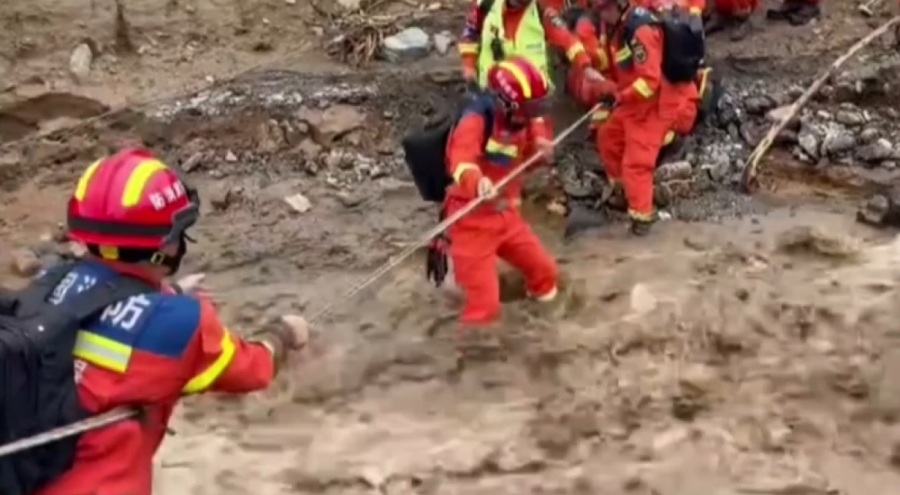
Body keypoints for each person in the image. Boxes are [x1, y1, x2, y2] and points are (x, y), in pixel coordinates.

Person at [35, 148, 310, 495]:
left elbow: (103, 310)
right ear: (162, 246)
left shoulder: (51, 283)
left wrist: (172, 294)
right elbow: (251, 368)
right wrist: (283, 333)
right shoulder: (181, 326)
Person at [442, 56, 561, 332]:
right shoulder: (475, 119)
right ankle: (472, 361)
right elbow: (460, 160)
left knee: (545, 274)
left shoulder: (524, 117)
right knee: (484, 310)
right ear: (507, 104)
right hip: (471, 221)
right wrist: (477, 182)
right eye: (530, 109)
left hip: (506, 214)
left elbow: (527, 152)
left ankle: (545, 332)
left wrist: (541, 150)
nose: (535, 114)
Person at [573, 0, 701, 235]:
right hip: (637, 101)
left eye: (604, 9)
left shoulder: (640, 30)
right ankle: (622, 192)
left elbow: (649, 82)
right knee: (608, 137)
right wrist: (610, 91)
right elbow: (623, 73)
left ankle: (642, 217)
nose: (601, 15)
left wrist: (620, 96)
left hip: (660, 103)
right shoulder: (619, 28)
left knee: (637, 161)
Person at [457, 0, 603, 89]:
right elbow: (469, 34)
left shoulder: (541, 13)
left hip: (532, 100)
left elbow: (569, 40)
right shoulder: (486, 5)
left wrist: (585, 67)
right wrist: (468, 66)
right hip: (491, 91)